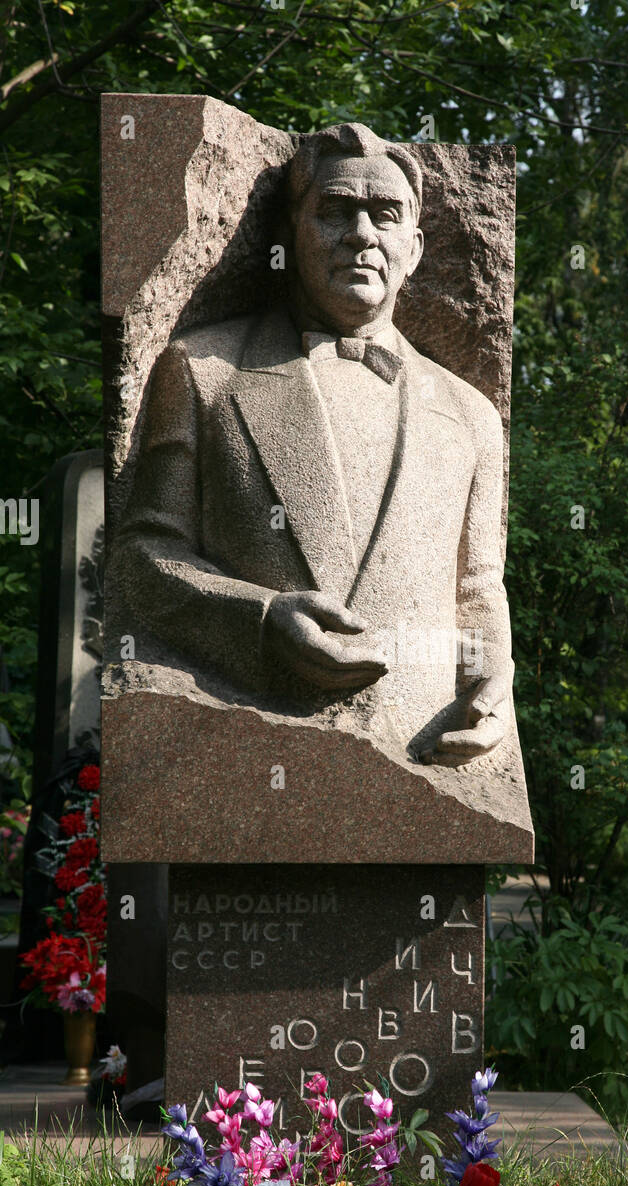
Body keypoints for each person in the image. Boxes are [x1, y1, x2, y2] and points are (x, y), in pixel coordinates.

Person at [117, 122, 513, 767]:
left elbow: (477, 586)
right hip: (242, 744)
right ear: (288, 235)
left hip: (425, 747)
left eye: (384, 215)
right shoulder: (201, 369)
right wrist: (263, 618)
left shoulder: (472, 415)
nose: (362, 234)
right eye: (335, 212)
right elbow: (142, 556)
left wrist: (494, 682)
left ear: (413, 248)